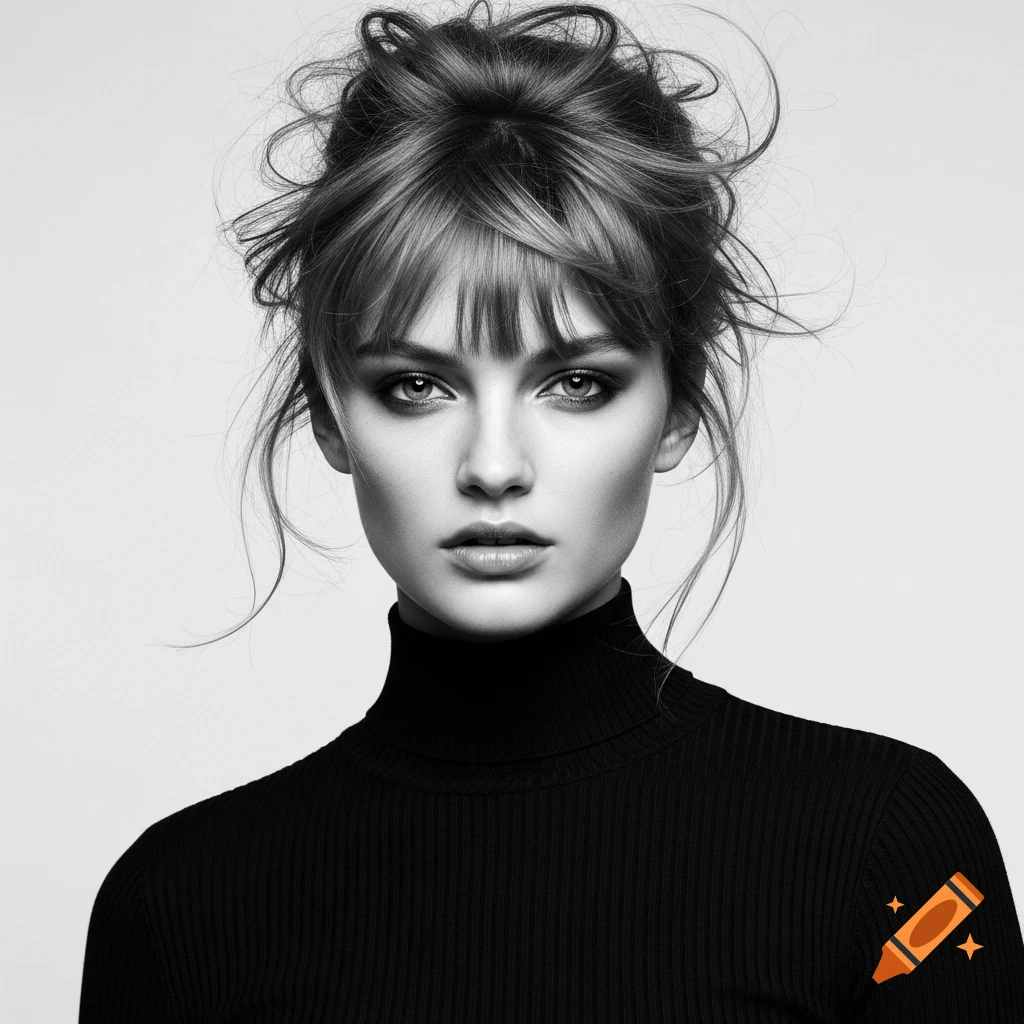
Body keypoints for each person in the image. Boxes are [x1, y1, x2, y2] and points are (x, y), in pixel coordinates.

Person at [78, 2, 1024, 1020]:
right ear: (328, 415)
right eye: (416, 386)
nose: (493, 465)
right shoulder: (179, 907)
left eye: (574, 382)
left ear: (679, 406)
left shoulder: (886, 853)